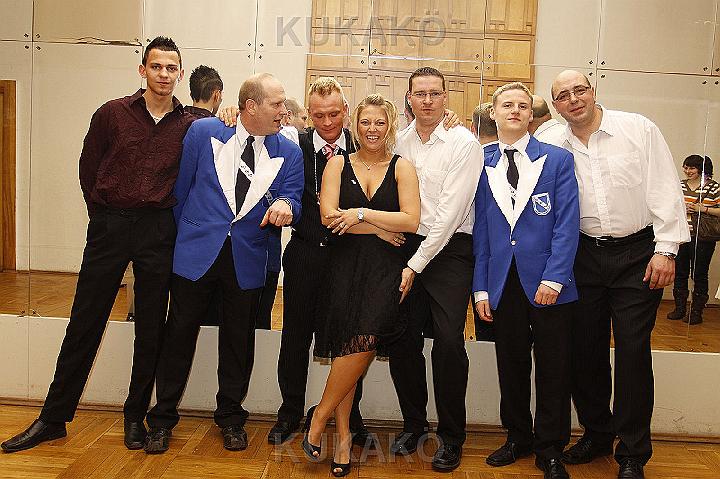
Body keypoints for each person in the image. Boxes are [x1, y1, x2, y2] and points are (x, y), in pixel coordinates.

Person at [0, 37, 194, 454]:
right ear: (142, 70)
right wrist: (104, 216)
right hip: (110, 226)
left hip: (157, 230)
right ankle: (53, 418)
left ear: (180, 74)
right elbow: (88, 169)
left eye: (171, 68)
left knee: (150, 329)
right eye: (156, 66)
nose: (163, 74)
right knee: (84, 323)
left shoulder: (189, 123)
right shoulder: (112, 113)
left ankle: (134, 416)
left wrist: (227, 111)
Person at [143, 73, 304, 454]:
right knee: (178, 336)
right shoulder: (204, 133)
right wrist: (189, 236)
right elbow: (180, 191)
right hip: (196, 254)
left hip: (247, 259)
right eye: (276, 104)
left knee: (238, 342)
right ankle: (162, 419)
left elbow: (294, 198)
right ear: (250, 106)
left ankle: (231, 418)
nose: (283, 111)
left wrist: (287, 205)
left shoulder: (289, 151)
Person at [550, 70, 690, 479]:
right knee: (584, 351)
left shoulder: (638, 129)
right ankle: (597, 434)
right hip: (581, 257)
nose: (574, 99)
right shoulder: (551, 142)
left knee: (632, 352)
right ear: (556, 106)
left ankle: (632, 452)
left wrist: (666, 249)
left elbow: (665, 187)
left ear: (593, 91)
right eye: (563, 95)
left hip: (638, 255)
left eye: (580, 90)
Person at [303, 94, 421, 477]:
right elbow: (327, 217)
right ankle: (342, 440)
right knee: (347, 349)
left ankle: (318, 416)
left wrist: (359, 214)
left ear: (390, 126)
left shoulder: (402, 167)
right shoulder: (337, 163)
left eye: (380, 122)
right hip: (343, 266)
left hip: (385, 271)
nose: (372, 129)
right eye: (366, 122)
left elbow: (410, 220)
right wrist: (378, 228)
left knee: (365, 340)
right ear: (355, 125)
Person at [474, 82, 579, 479]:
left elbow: (566, 224)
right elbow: (482, 231)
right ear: (494, 113)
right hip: (504, 282)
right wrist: (481, 287)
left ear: (531, 115)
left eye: (522, 105)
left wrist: (555, 278)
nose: (515, 111)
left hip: (549, 284)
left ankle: (550, 448)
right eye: (507, 105)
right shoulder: (480, 161)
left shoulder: (558, 159)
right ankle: (517, 436)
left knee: (553, 368)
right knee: (511, 364)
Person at [388, 66, 482, 472]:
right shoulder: (398, 141)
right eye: (420, 94)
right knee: (402, 339)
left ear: (446, 98)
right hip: (406, 245)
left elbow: (449, 215)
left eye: (435, 93)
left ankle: (452, 436)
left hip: (450, 251)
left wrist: (416, 264)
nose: (427, 101)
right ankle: (413, 424)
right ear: (409, 99)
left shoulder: (464, 143)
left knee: (448, 342)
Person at [269, 77, 369, 446]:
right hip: (305, 254)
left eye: (334, 114)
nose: (327, 123)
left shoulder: (363, 146)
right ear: (308, 115)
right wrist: (229, 113)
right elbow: (253, 129)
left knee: (350, 343)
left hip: (349, 260)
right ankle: (289, 412)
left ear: (346, 111)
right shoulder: (294, 145)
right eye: (319, 115)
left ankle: (350, 416)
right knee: (295, 338)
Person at [667, 155, 719, 324]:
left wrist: (702, 208)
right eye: (686, 167)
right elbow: (669, 206)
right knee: (680, 273)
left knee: (699, 274)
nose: (687, 171)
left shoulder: (714, 187)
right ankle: (680, 309)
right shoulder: (679, 185)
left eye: (692, 168)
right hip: (681, 235)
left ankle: (696, 312)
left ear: (701, 170)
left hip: (703, 238)